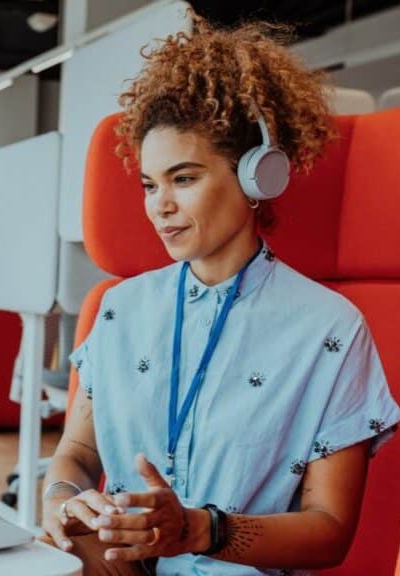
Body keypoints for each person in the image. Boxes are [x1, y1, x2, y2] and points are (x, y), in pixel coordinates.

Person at [41, 18, 400, 575]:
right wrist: (61, 500)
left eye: (183, 179)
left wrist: (201, 530)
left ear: (258, 177)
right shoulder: (118, 309)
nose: (159, 205)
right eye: (149, 184)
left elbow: (330, 532)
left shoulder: (330, 329)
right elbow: (78, 455)